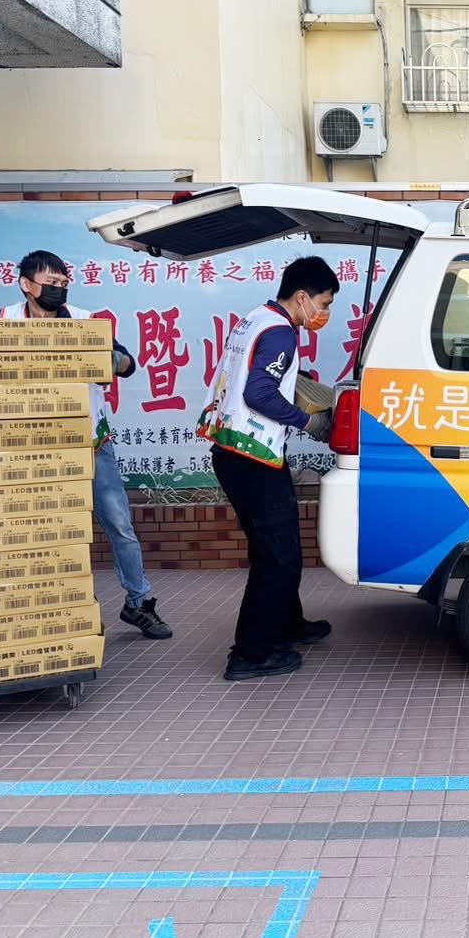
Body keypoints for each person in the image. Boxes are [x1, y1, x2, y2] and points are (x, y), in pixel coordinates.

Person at [0, 251, 171, 641]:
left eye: (63, 283)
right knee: (40, 534)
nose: (58, 290)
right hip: (31, 453)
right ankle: (44, 611)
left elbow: (128, 365)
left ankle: (139, 603)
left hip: (91, 446)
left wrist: (108, 357)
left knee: (120, 525)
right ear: (26, 284)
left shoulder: (86, 322)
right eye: (50, 283)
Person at [200, 256, 337, 681]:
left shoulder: (256, 319)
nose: (323, 313)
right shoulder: (280, 332)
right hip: (253, 458)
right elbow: (258, 392)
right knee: (279, 555)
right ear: (302, 296)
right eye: (324, 303)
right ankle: (251, 654)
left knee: (276, 547)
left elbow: (252, 375)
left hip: (234, 452)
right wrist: (308, 422)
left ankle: (286, 623)